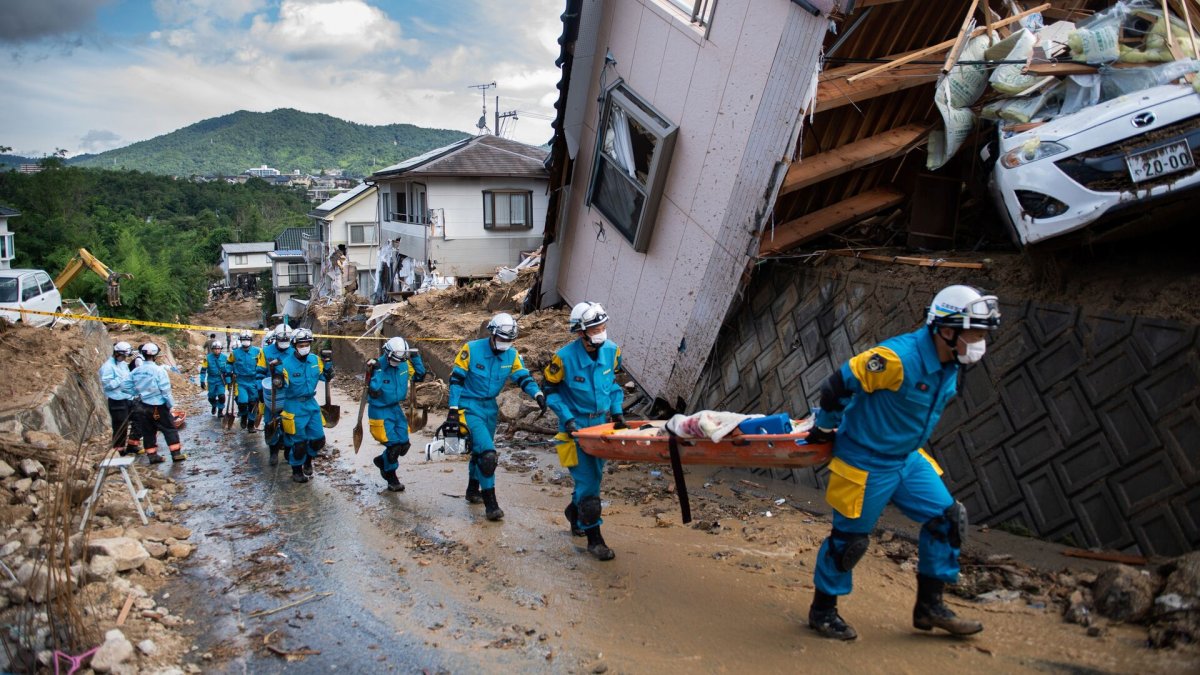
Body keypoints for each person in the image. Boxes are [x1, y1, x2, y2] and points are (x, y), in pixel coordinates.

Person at [805, 285, 1000, 641]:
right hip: (864, 460)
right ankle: (823, 611)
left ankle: (929, 608)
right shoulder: (896, 359)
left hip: (906, 459)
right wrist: (825, 426)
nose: (979, 342)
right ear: (946, 329)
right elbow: (836, 386)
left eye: (983, 334)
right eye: (974, 332)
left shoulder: (950, 363)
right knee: (848, 541)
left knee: (947, 519)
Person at [543, 302, 626, 560]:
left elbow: (613, 385)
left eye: (603, 325)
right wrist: (567, 419)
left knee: (594, 478)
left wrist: (618, 411)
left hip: (602, 425)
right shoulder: (564, 358)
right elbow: (550, 391)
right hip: (574, 430)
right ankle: (595, 540)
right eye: (596, 327)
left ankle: (573, 512)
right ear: (581, 332)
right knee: (589, 485)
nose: (602, 330)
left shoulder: (612, 352)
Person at [445, 312, 546, 521]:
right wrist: (453, 409)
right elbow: (456, 380)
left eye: (509, 340)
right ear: (492, 334)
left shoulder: (512, 355)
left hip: (490, 408)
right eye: (502, 339)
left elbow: (523, 377)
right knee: (489, 454)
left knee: (479, 453)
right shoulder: (471, 350)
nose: (505, 343)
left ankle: (472, 491)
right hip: (468, 406)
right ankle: (491, 504)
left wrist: (537, 394)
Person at [272, 328, 333, 483]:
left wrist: (328, 366)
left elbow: (325, 378)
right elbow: (280, 384)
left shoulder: (314, 360)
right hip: (294, 406)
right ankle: (296, 469)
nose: (305, 346)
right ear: (294, 345)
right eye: (301, 344)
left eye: (307, 344)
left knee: (318, 439)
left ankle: (308, 461)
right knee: (299, 443)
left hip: (311, 404)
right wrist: (277, 376)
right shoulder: (285, 364)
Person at [368, 336, 427, 492]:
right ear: (387, 353)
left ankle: (382, 460)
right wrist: (377, 369)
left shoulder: (404, 365)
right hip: (379, 409)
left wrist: (416, 359)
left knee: (404, 445)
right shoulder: (377, 366)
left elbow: (419, 376)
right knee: (394, 446)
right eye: (394, 359)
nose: (397, 363)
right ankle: (390, 476)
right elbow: (373, 389)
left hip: (395, 409)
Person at [130, 342, 186, 464]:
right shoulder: (159, 371)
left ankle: (152, 455)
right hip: (158, 405)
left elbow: (126, 386)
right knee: (169, 428)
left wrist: (138, 393)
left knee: (148, 431)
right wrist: (170, 404)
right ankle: (176, 454)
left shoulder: (135, 371)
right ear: (155, 355)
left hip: (142, 405)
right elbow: (165, 390)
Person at [257, 324, 293, 465]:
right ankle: (273, 451)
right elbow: (259, 373)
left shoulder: (294, 352)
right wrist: (259, 390)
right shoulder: (265, 352)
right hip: (271, 394)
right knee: (270, 422)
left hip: (288, 395)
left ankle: (288, 450)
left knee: (288, 424)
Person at [99, 341, 138, 456]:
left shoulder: (122, 364)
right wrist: (121, 379)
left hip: (128, 398)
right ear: (117, 353)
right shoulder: (108, 367)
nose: (124, 358)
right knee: (120, 426)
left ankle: (132, 445)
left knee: (139, 419)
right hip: (116, 401)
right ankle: (119, 451)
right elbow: (107, 385)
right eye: (123, 356)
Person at [228, 330, 264, 431]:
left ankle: (251, 424)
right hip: (241, 381)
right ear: (241, 340)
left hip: (254, 381)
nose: (246, 341)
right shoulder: (235, 353)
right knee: (242, 402)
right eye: (244, 339)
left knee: (253, 403)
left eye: (247, 339)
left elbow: (262, 365)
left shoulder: (258, 351)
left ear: (250, 340)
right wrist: (229, 374)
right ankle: (243, 416)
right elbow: (229, 363)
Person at [199, 341, 230, 416]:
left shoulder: (225, 358)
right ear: (212, 350)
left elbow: (228, 370)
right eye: (215, 349)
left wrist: (229, 381)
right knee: (211, 397)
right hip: (211, 380)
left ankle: (220, 411)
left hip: (221, 380)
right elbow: (203, 370)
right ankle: (214, 405)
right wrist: (202, 381)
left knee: (222, 396)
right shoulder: (207, 358)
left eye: (218, 349)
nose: (217, 350)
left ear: (221, 349)